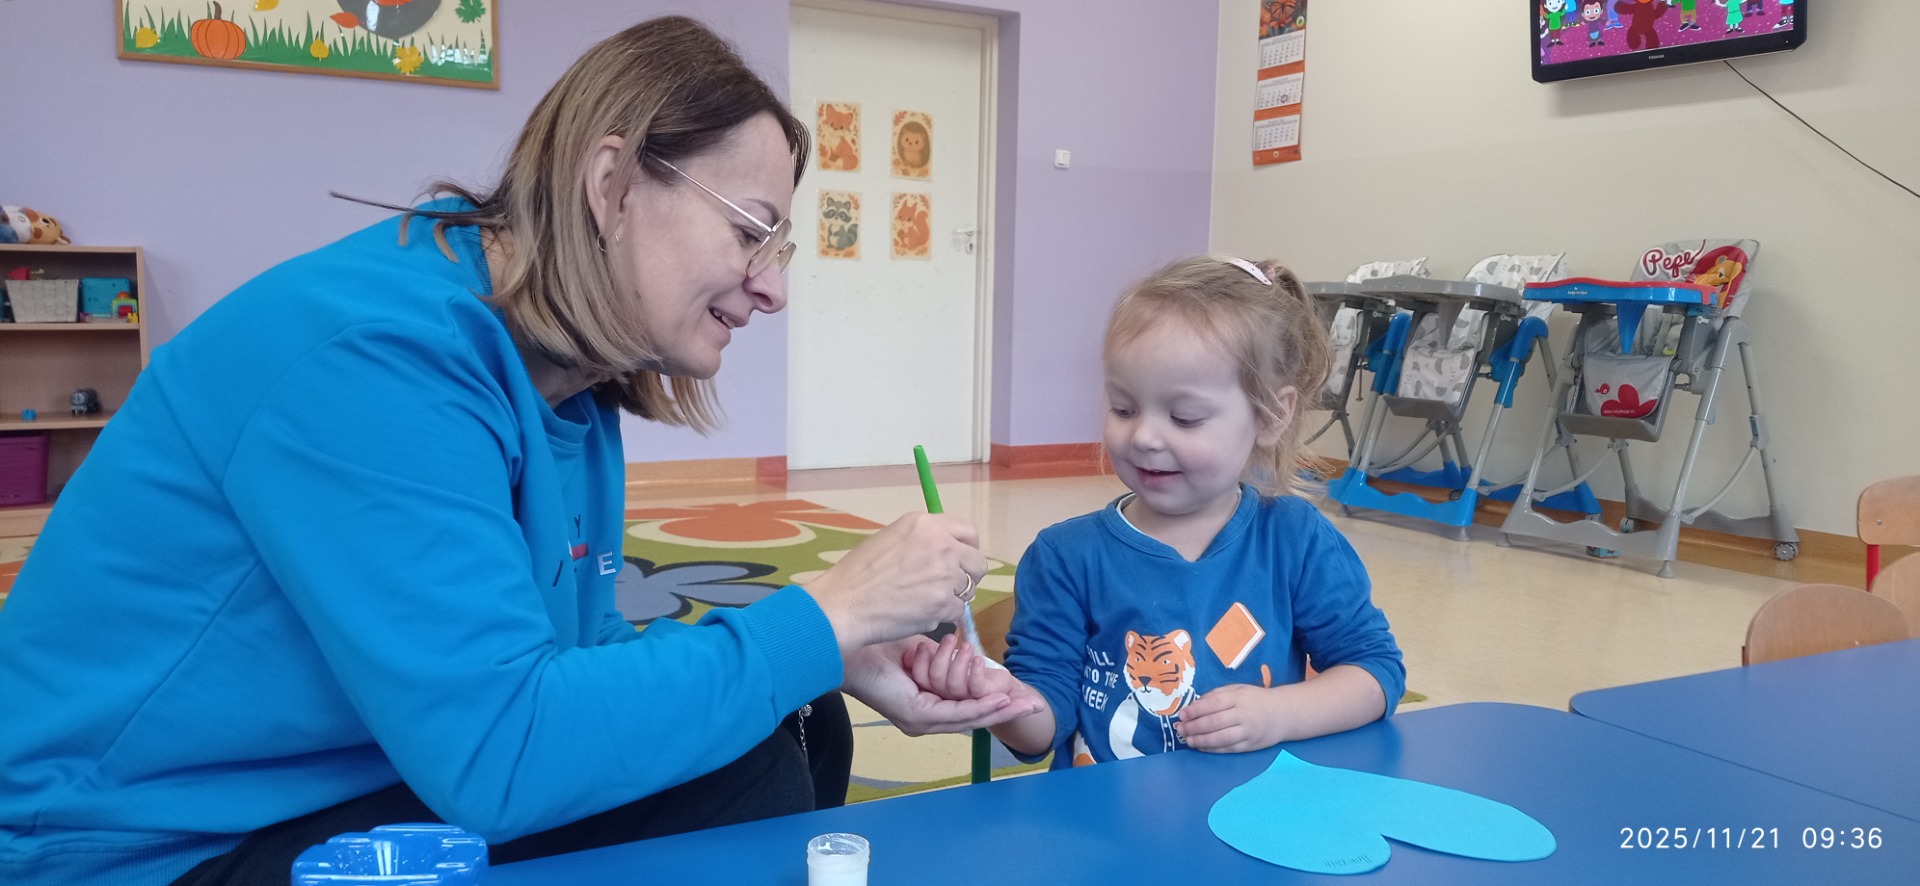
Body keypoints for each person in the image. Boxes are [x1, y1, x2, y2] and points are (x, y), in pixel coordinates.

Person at [0, 17, 1032, 886]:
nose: (773, 286)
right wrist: (830, 608)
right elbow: (505, 753)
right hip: (136, 849)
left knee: (796, 718)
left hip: (340, 776)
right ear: (612, 184)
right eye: (750, 231)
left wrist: (830, 653)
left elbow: (563, 665)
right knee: (748, 772)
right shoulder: (373, 357)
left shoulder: (565, 386)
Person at [907, 256, 1405, 766]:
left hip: (1251, 803)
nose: (1144, 436)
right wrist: (996, 696)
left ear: (1272, 415)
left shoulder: (1295, 541)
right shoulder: (1065, 557)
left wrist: (1281, 714)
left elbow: (1376, 672)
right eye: (1123, 408)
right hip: (1109, 811)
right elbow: (1041, 730)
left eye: (1184, 417)